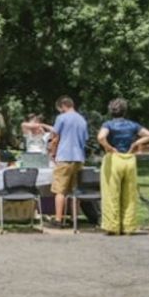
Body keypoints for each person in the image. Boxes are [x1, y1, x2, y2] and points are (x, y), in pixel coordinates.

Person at [98, 99, 149, 235]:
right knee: (129, 195)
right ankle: (128, 227)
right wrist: (135, 144)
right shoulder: (132, 125)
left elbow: (101, 137)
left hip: (114, 159)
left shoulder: (108, 124)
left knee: (111, 194)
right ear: (125, 111)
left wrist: (109, 147)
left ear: (111, 111)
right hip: (129, 159)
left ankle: (113, 227)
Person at [47, 96, 88, 229]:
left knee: (60, 190)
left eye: (60, 109)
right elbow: (85, 139)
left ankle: (58, 220)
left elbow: (55, 137)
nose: (60, 112)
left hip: (64, 156)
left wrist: (52, 152)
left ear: (63, 106)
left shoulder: (62, 118)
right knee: (74, 190)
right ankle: (74, 219)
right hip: (79, 158)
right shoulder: (82, 119)